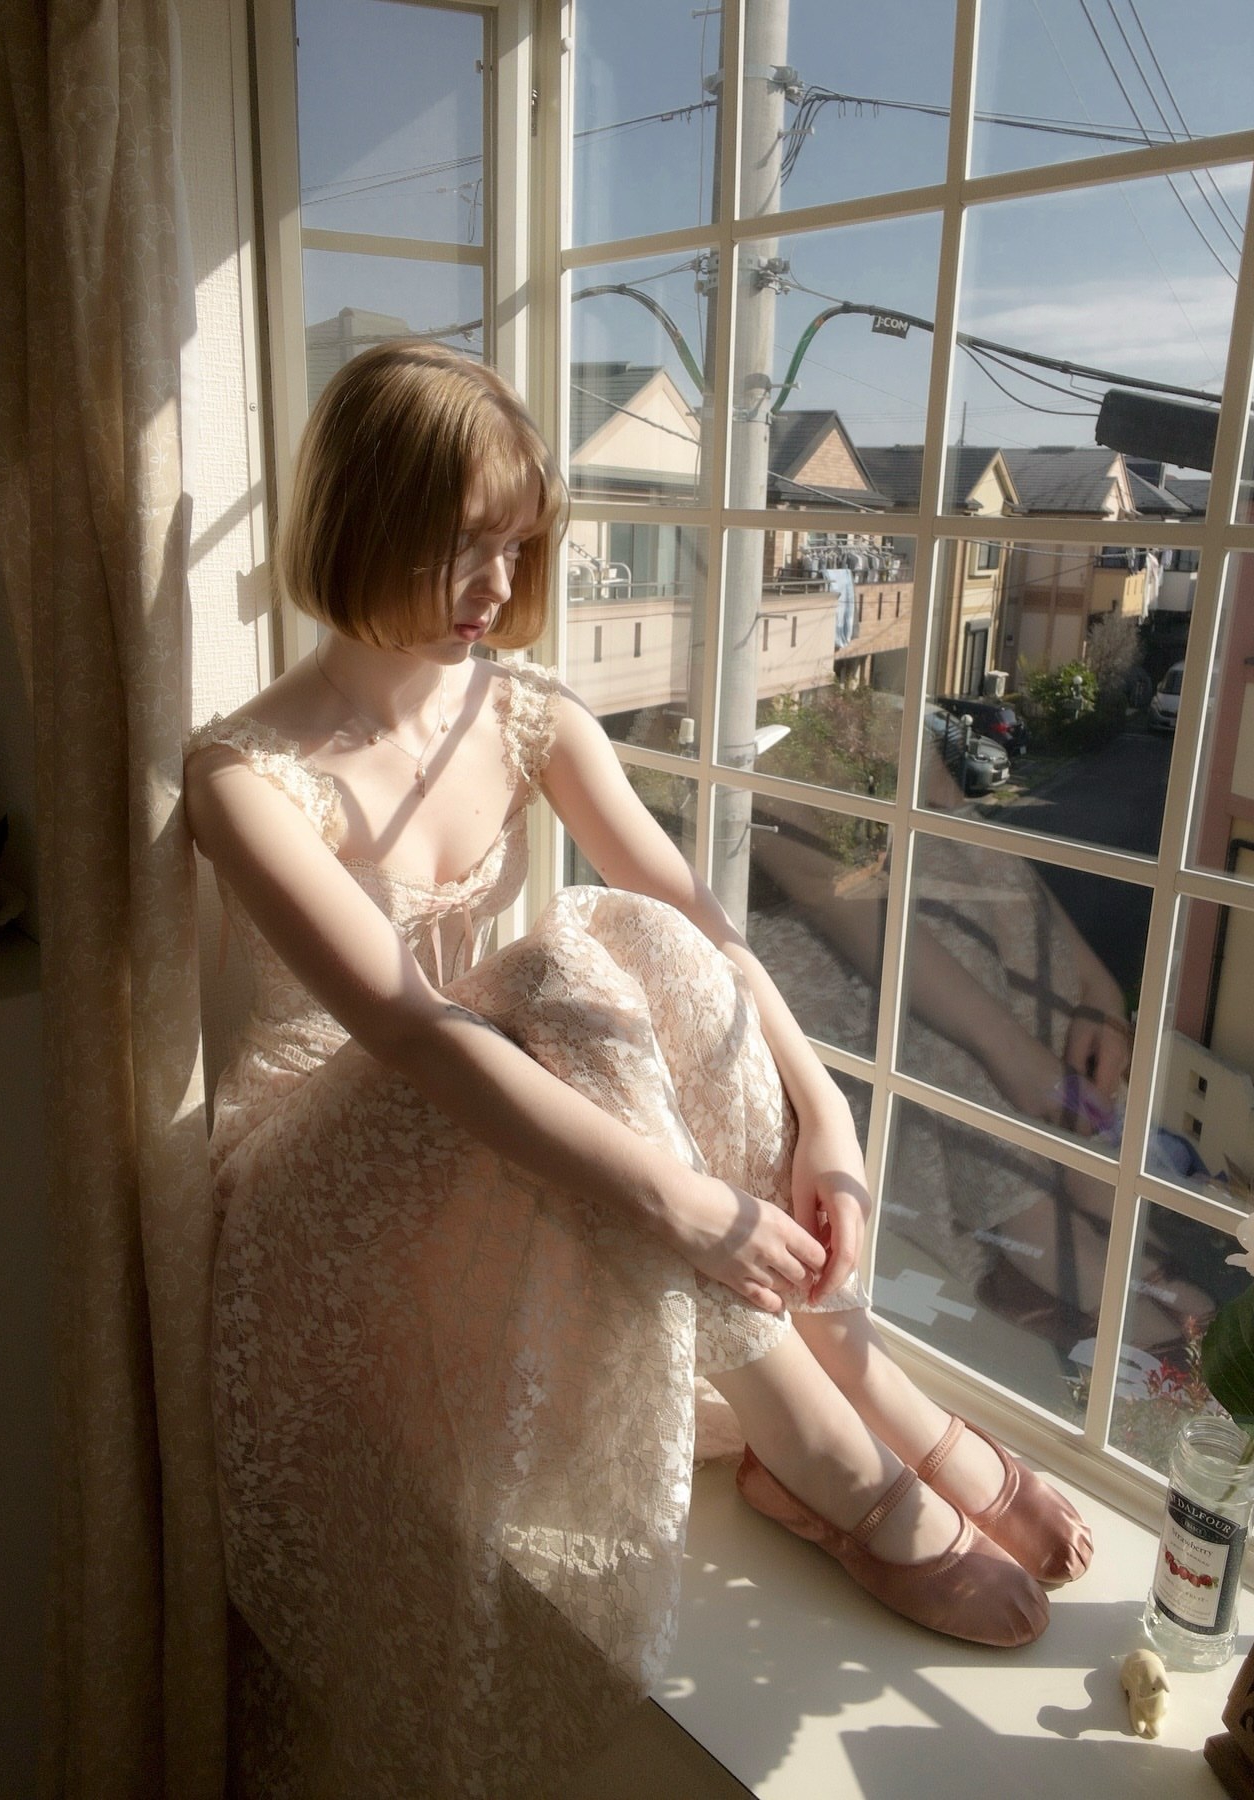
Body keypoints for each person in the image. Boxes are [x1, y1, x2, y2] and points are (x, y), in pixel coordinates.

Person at [184, 342, 1090, 1796]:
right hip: (319, 1194)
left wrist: (827, 1117)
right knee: (548, 971)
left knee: (630, 936)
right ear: (362, 522)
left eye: (518, 544)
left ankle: (852, 1386)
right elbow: (413, 1033)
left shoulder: (525, 710)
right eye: (463, 543)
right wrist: (688, 1208)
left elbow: (701, 927)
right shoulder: (240, 774)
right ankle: (846, 1464)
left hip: (498, 1127)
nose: (498, 585)